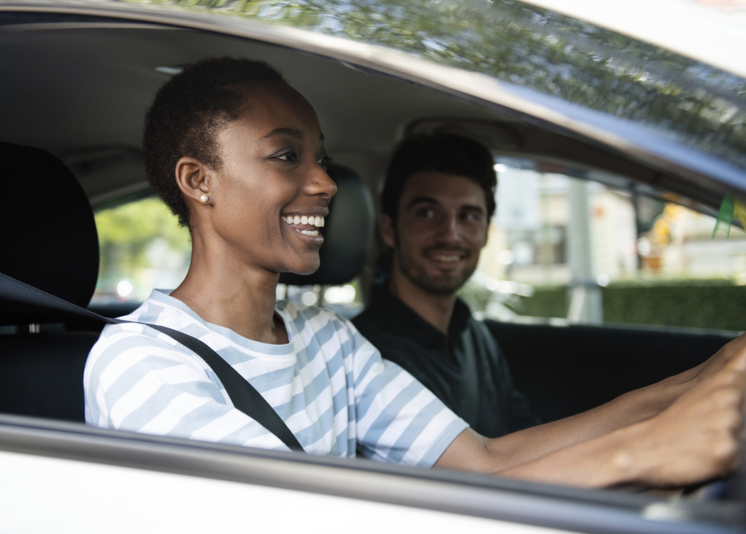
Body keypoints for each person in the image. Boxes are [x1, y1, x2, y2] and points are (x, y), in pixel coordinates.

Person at [84, 57, 746, 489]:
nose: (323, 183)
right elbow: (305, 521)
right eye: (287, 156)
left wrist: (703, 380)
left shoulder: (326, 340)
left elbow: (486, 462)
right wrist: (642, 454)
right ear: (199, 181)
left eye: (322, 158)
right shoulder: (140, 364)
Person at [353, 135, 539, 437]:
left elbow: (522, 431)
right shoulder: (366, 355)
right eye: (427, 213)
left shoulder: (474, 334)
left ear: (485, 234)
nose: (450, 235)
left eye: (467, 216)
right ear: (389, 230)